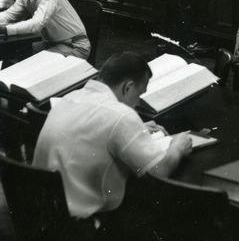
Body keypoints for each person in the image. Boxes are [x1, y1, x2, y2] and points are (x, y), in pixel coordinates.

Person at [33, 51, 192, 219]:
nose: (138, 103)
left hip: (46, 211)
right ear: (127, 87)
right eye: (139, 94)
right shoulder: (121, 115)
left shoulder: (69, 98)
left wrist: (137, 130)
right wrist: (178, 147)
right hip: (84, 224)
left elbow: (92, 130)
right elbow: (158, 172)